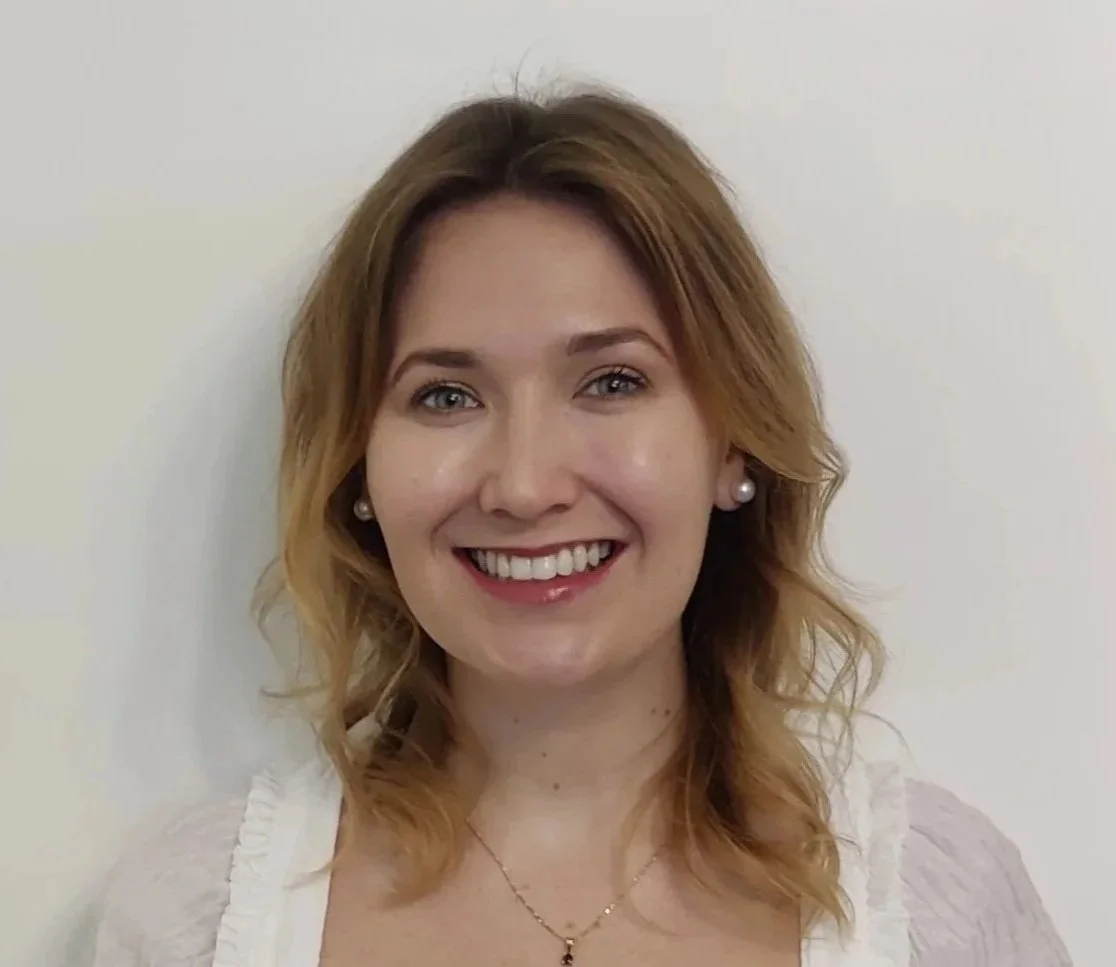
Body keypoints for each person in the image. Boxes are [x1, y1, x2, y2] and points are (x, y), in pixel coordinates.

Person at [91, 86, 1072, 966]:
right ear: (359, 470)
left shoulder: (937, 913)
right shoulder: (194, 923)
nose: (524, 485)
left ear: (731, 442)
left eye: (611, 382)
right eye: (445, 396)